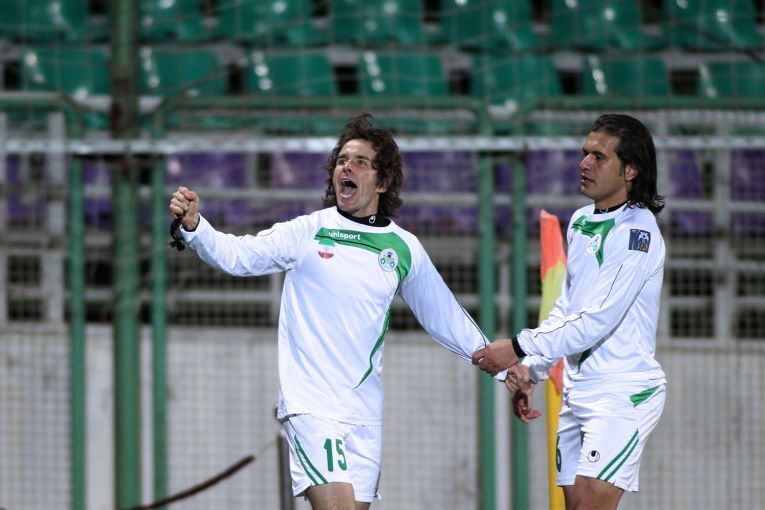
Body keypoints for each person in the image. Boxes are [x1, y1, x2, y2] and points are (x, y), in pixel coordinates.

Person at [169, 113, 498, 510]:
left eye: (361, 162)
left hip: (364, 416)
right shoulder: (308, 231)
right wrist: (195, 226)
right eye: (342, 160)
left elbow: (443, 314)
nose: (347, 167)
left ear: (382, 181)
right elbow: (238, 256)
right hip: (312, 408)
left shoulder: (403, 247)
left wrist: (503, 365)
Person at [472, 113, 667, 510]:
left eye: (599, 156)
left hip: (621, 392)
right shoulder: (580, 222)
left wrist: (518, 347)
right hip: (579, 391)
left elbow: (597, 320)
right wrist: (534, 369)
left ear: (630, 170)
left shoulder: (637, 232)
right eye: (585, 153)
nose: (584, 164)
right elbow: (568, 307)